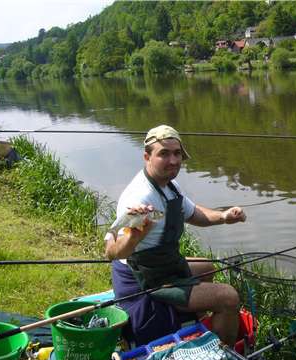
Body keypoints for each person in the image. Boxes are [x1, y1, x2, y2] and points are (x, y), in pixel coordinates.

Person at [105, 125, 246, 346]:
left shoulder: (170, 186)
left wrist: (224, 216)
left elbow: (192, 213)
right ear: (147, 157)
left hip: (165, 266)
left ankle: (195, 319)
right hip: (144, 279)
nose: (173, 161)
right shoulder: (140, 197)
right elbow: (112, 251)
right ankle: (225, 357)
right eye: (164, 154)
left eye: (177, 153)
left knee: (207, 266)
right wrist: (134, 236)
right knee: (229, 297)